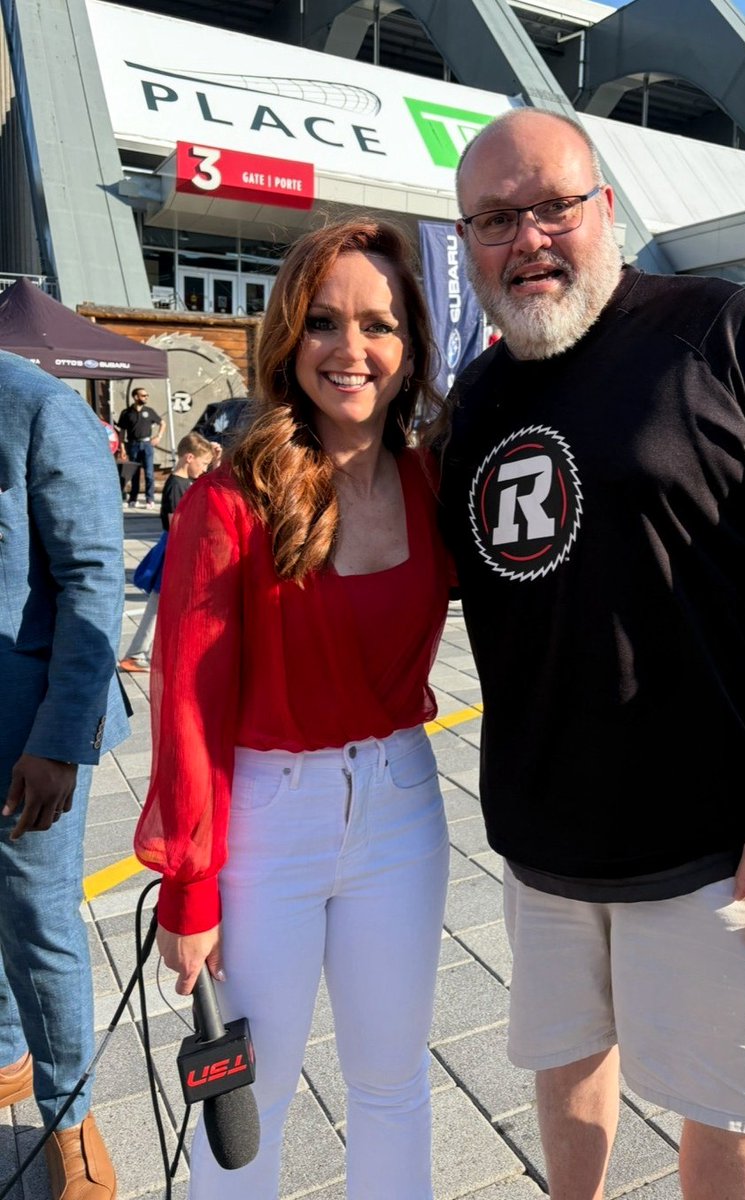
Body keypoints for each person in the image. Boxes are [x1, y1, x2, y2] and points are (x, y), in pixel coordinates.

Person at [437, 109, 745, 1200]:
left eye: (554, 206)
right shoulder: (475, 400)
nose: (529, 239)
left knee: (725, 1109)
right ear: (466, 241)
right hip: (544, 841)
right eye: (496, 219)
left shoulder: (724, 334)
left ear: (604, 207)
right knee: (563, 1067)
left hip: (724, 844)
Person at [133, 219, 453, 1200]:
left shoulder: (430, 481)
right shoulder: (230, 498)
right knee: (247, 1100)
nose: (350, 350)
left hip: (402, 805)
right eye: (322, 322)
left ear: (410, 348)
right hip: (268, 819)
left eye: (378, 325)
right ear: (286, 338)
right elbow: (186, 692)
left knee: (394, 1085)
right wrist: (189, 882)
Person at [0, 350, 130, 1200]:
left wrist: (57, 744)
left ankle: (70, 1117)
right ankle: (7, 1051)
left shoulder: (38, 407)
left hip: (26, 737)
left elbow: (94, 582)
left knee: (40, 925)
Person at [118, 432, 213, 673]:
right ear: (189, 457)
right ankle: (138, 654)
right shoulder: (175, 486)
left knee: (161, 604)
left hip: (175, 549)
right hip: (175, 549)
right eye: (202, 464)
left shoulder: (183, 482)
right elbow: (176, 524)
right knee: (161, 603)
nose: (203, 470)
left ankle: (142, 653)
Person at [116, 386, 165, 507]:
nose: (146, 397)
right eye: (143, 395)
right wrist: (122, 448)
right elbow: (122, 431)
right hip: (133, 444)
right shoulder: (126, 413)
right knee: (134, 473)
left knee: (149, 473)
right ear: (135, 397)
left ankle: (150, 499)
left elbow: (162, 423)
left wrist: (158, 436)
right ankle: (133, 499)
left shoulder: (149, 411)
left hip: (147, 444)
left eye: (147, 395)